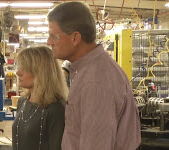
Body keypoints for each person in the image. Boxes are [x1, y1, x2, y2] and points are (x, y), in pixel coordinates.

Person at [47, 2, 141, 150]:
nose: (49, 42)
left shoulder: (95, 82)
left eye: (54, 36)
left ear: (75, 38)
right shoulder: (85, 70)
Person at [12, 46, 68, 150]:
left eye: (25, 68)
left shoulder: (56, 109)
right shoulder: (23, 102)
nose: (18, 72)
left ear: (41, 72)